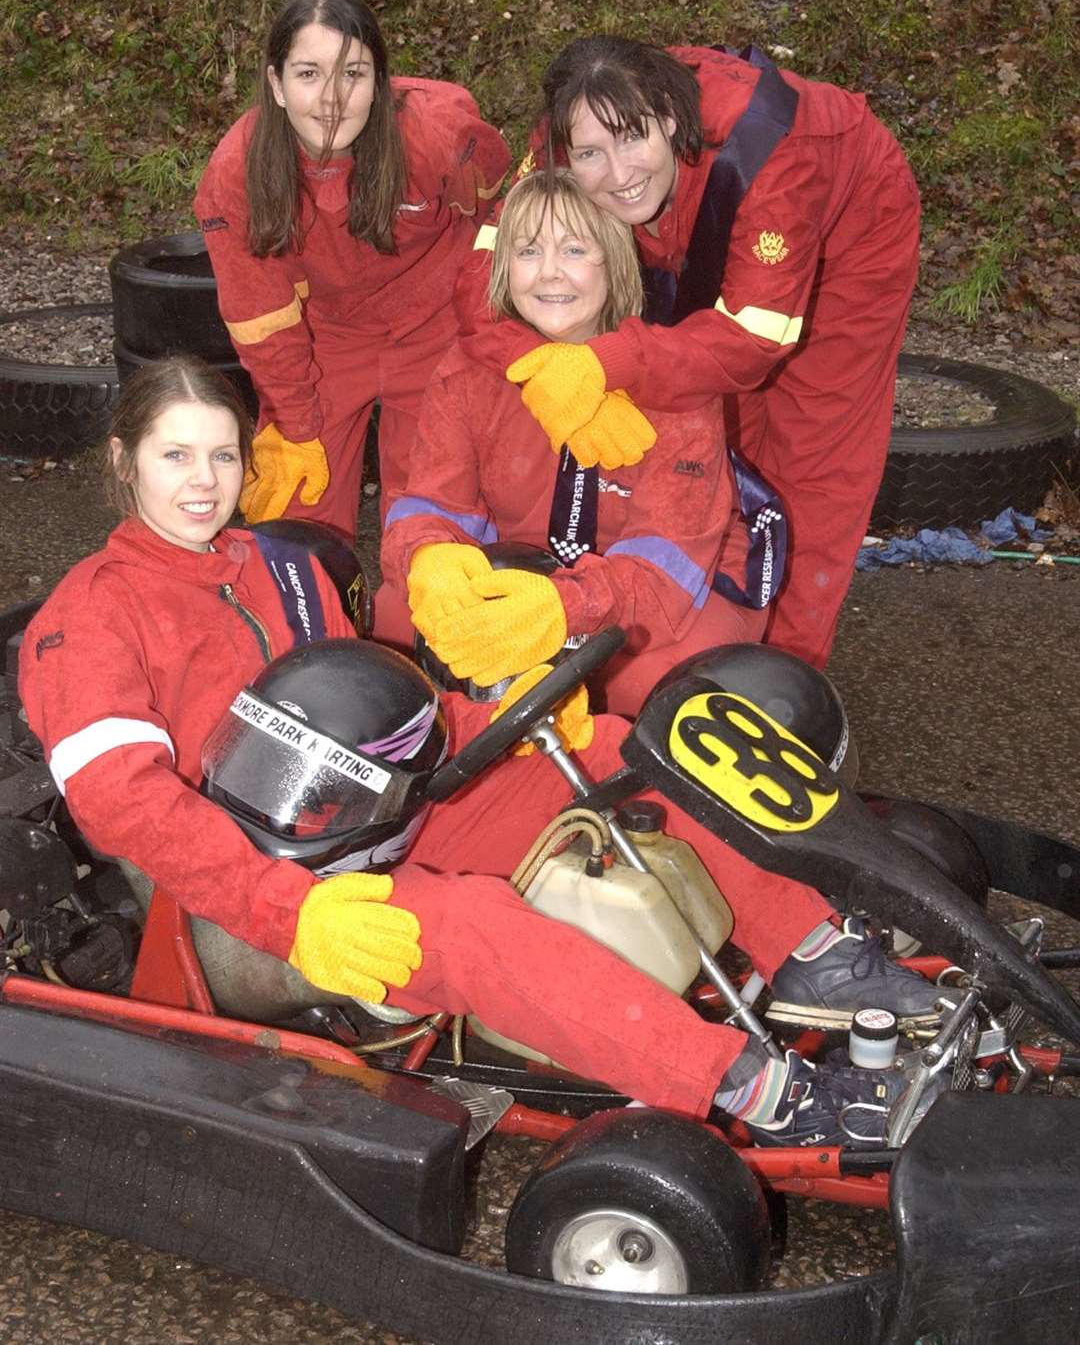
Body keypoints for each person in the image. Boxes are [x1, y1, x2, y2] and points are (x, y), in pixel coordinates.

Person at [18, 356, 939, 1149]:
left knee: (625, 752)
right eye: (174, 455)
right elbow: (123, 804)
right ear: (121, 461)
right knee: (471, 926)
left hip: (373, 823)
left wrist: (510, 718)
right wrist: (292, 912)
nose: (201, 480)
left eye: (221, 454)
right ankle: (761, 1090)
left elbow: (384, 724)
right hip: (248, 903)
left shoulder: (278, 567)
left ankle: (818, 953)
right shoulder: (89, 616)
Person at [456, 35, 921, 670]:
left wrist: (603, 364)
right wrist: (542, 364)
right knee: (686, 421)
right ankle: (677, 619)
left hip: (848, 226)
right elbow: (483, 279)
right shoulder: (559, 139)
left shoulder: (782, 158)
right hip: (691, 212)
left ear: (671, 119)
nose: (616, 174)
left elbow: (751, 343)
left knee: (808, 460)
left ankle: (781, 683)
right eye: (591, 153)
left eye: (632, 139)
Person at [379, 170, 770, 717]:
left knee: (653, 691)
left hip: (674, 589)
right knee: (398, 623)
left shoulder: (675, 379)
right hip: (532, 566)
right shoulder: (470, 368)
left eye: (575, 249)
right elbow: (430, 501)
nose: (550, 273)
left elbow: (665, 575)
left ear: (613, 261)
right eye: (528, 250)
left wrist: (565, 608)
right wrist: (430, 558)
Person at [193, 0, 510, 539]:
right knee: (292, 508)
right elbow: (259, 315)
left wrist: (485, 343)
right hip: (326, 337)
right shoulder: (236, 174)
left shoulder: (437, 138)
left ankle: (419, 616)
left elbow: (503, 227)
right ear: (277, 85)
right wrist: (294, 421)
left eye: (354, 74)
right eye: (309, 74)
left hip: (436, 322)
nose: (332, 99)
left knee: (436, 515)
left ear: (380, 84)